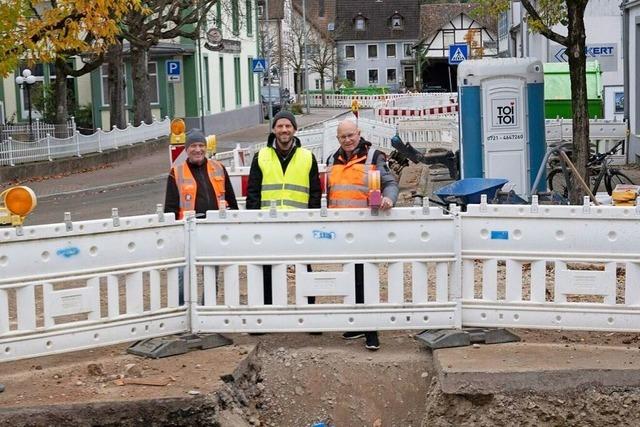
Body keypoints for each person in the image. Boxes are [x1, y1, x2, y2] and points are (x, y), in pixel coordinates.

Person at [326, 119, 399, 351]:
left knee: (365, 278)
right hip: (341, 229)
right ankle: (358, 323)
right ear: (338, 139)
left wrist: (388, 199)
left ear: (359, 134)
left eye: (351, 135)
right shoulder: (331, 160)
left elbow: (390, 183)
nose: (347, 140)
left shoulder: (373, 156)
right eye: (342, 137)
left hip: (366, 228)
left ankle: (371, 331)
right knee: (351, 277)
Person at [246, 110, 321, 308]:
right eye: (280, 126)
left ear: (295, 129)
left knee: (304, 268)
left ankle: (309, 309)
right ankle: (268, 311)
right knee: (268, 269)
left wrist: (312, 221)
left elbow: (315, 193)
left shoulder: (307, 157)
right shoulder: (260, 156)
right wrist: (254, 223)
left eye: (288, 126)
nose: (284, 130)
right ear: (273, 129)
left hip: (300, 223)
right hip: (269, 224)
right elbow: (253, 193)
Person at [165, 128, 238, 304]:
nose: (197, 150)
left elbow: (231, 199)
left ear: (205, 147)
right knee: (182, 274)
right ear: (186, 149)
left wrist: (234, 223)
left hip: (214, 229)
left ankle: (207, 308)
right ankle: (181, 309)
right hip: (186, 231)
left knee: (211, 272)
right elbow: (171, 207)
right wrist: (172, 233)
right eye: (193, 146)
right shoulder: (177, 172)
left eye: (200, 146)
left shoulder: (218, 168)